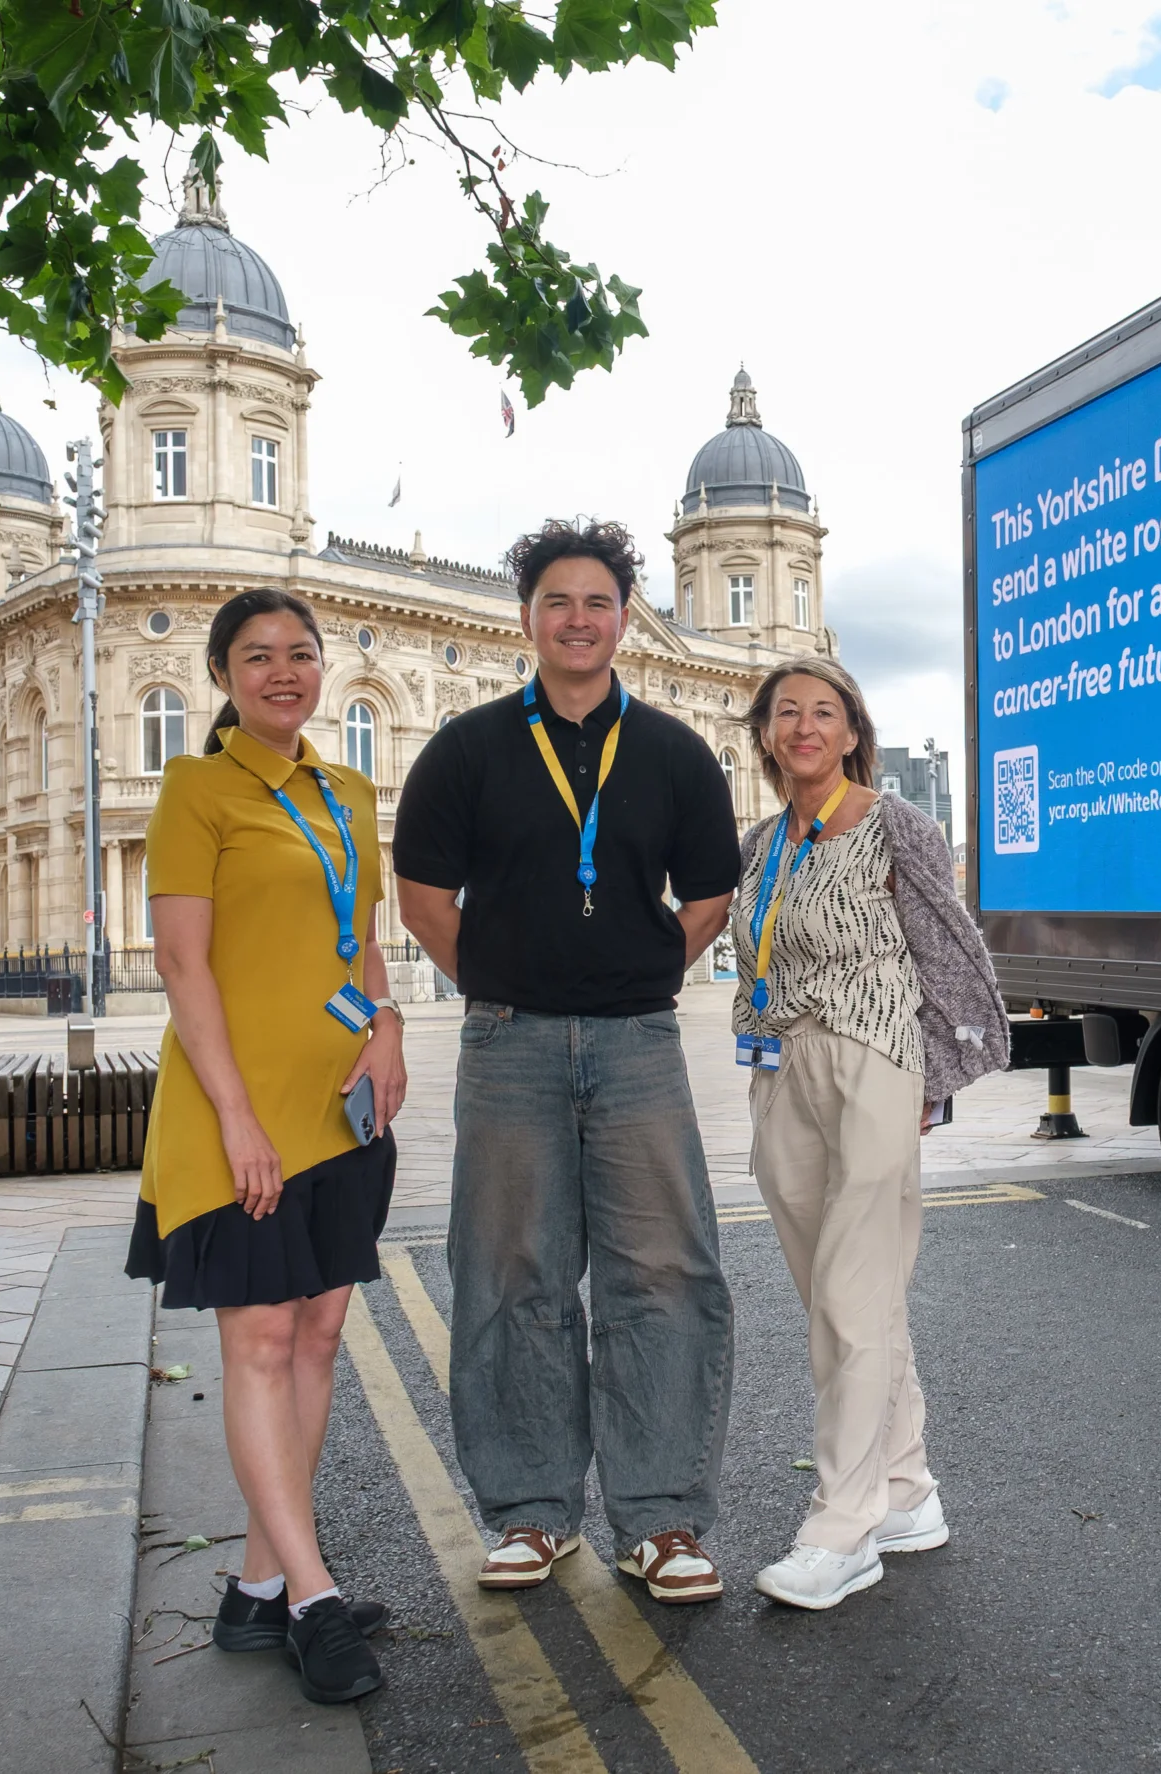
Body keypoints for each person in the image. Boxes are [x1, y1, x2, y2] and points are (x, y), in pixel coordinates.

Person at [394, 518, 743, 1605]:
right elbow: (420, 897)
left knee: (663, 1273)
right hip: (507, 1042)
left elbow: (711, 896)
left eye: (598, 602)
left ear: (624, 617)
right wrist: (508, 977)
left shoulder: (678, 752)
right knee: (510, 1272)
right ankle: (532, 1512)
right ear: (528, 617)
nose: (579, 620)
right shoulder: (467, 746)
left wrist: (635, 972)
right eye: (558, 601)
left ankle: (662, 1517)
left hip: (639, 1043)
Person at [125, 587, 407, 1706]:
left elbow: (363, 937)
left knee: (319, 1336)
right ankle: (312, 1598)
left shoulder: (346, 790)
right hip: (233, 1111)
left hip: (339, 1103)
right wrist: (235, 1114)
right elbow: (183, 966)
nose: (283, 672)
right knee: (256, 1346)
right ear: (223, 675)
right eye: (257, 657)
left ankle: (254, 1587)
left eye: (300, 652)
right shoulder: (196, 789)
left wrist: (385, 1033)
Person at [733, 657, 1009, 1610]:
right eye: (786, 713)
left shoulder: (898, 826)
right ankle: (906, 1488)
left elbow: (952, 953)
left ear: (854, 733)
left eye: (824, 713)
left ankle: (841, 1530)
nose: (804, 726)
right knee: (842, 1300)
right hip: (782, 1067)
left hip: (873, 1056)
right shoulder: (765, 841)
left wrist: (933, 1082)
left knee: (854, 1294)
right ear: (765, 733)